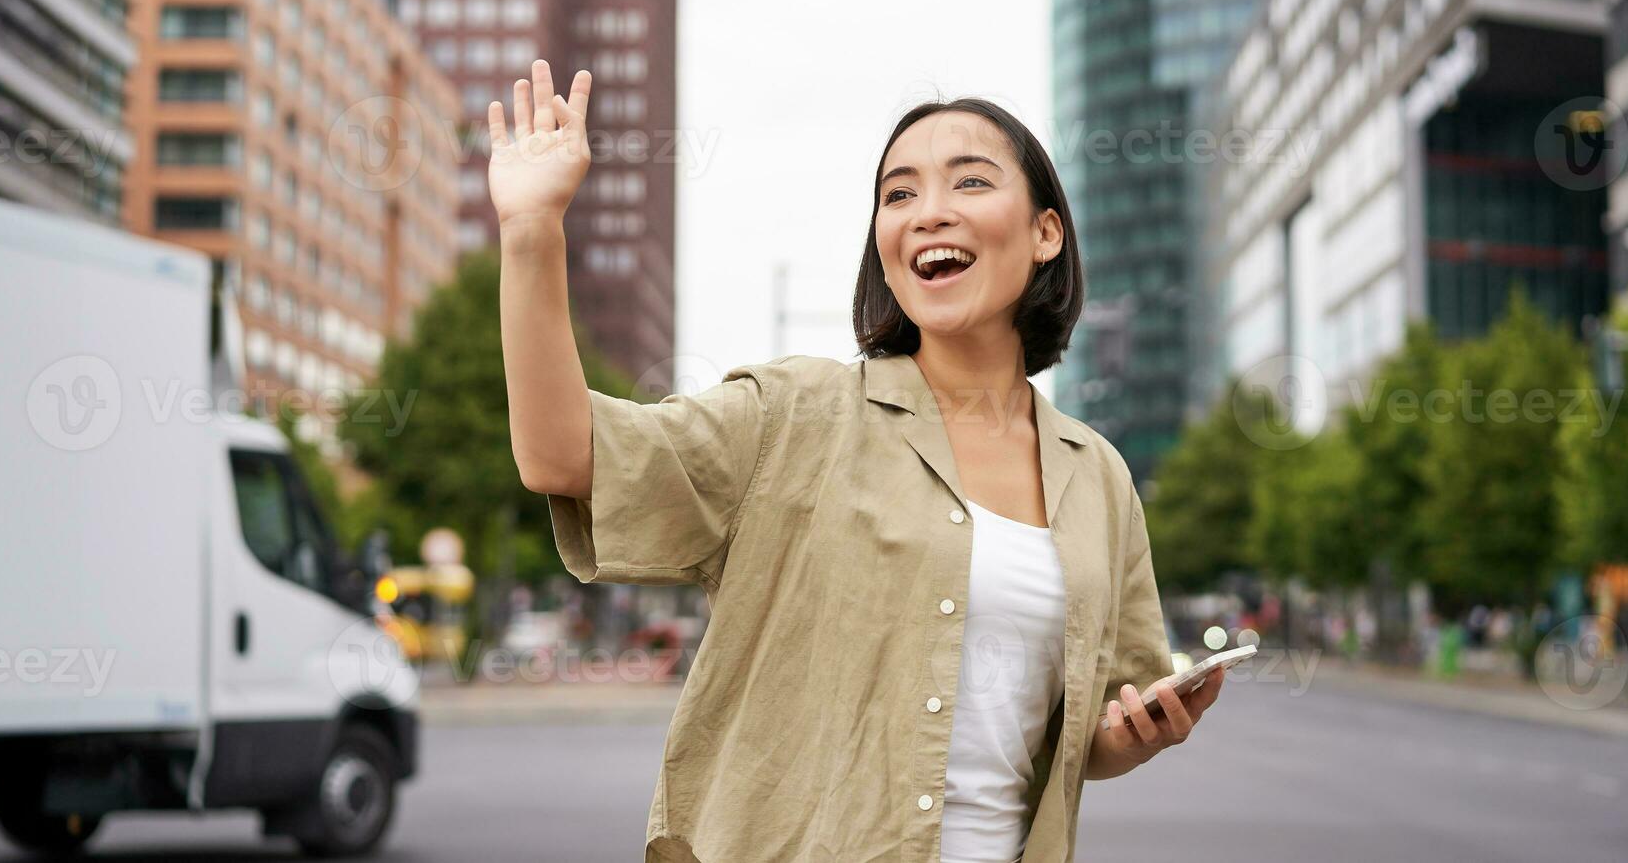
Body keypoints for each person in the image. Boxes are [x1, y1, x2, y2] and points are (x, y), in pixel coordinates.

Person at [490, 60, 1222, 862]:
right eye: (899, 194)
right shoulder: (792, 416)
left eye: (969, 183)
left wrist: (1141, 735)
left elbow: (1092, 735)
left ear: (1047, 231)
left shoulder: (1100, 477)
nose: (928, 213)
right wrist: (533, 231)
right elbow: (562, 456)